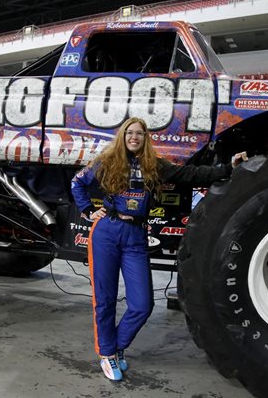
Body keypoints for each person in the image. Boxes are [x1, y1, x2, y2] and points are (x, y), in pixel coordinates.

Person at [70, 117, 246, 381]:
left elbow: (192, 174)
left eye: (140, 134)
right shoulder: (106, 161)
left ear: (145, 138)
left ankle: (117, 346)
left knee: (143, 304)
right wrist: (87, 211)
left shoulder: (156, 165)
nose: (134, 137)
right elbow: (77, 182)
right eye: (130, 133)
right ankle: (107, 353)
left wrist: (228, 167)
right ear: (123, 135)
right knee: (104, 300)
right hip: (106, 232)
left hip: (136, 236)